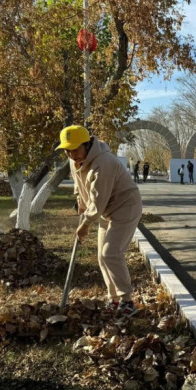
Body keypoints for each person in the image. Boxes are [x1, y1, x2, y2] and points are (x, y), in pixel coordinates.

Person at [57, 124, 143, 318]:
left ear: (87, 144)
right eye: (67, 151)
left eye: (76, 149)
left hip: (125, 206)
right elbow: (79, 185)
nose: (72, 155)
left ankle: (127, 301)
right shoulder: (75, 161)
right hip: (106, 211)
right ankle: (114, 299)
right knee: (101, 257)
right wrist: (80, 201)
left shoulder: (103, 163)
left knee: (111, 253)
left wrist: (84, 225)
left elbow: (97, 202)